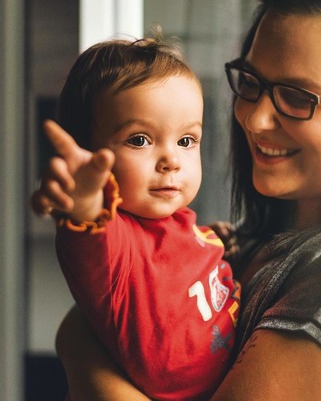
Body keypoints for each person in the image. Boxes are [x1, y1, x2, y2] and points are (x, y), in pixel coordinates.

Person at [33, 0, 321, 400]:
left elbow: (87, 326)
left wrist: (79, 347)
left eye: (298, 97)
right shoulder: (272, 234)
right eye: (252, 82)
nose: (255, 119)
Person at [31, 34, 240, 400]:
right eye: (140, 140)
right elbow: (89, 231)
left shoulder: (180, 222)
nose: (171, 160)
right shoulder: (115, 242)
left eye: (187, 140)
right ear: (88, 153)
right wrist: (84, 200)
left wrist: (214, 240)